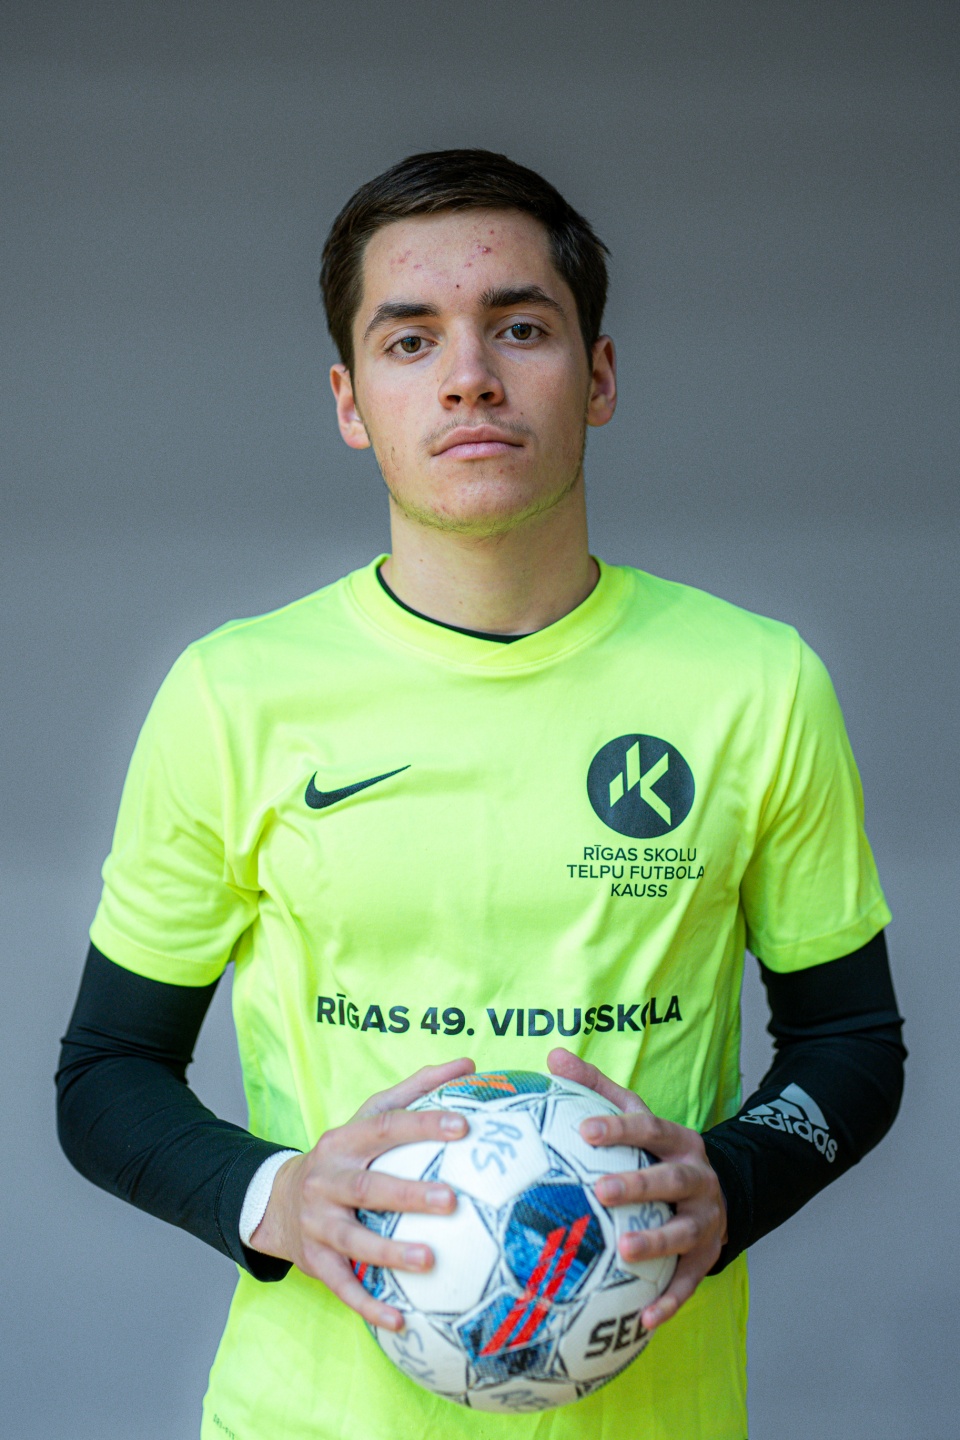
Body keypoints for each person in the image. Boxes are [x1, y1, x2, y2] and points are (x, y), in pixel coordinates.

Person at [57, 149, 905, 1440]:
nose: (469, 377)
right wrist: (276, 1196)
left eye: (520, 327)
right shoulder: (234, 695)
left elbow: (852, 1043)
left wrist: (732, 1180)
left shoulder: (756, 684)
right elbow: (107, 1073)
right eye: (410, 341)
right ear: (350, 402)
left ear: (599, 376)